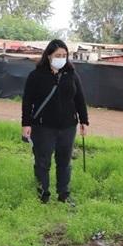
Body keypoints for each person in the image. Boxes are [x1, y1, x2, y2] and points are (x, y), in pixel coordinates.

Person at [21, 40, 89, 205]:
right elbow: (27, 101)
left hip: (68, 126)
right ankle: (43, 193)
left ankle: (63, 194)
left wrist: (83, 120)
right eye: (58, 55)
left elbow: (80, 98)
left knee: (64, 162)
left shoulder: (71, 74)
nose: (62, 58)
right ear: (49, 56)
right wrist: (26, 124)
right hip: (43, 127)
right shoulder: (36, 75)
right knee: (43, 161)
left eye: (64, 55)